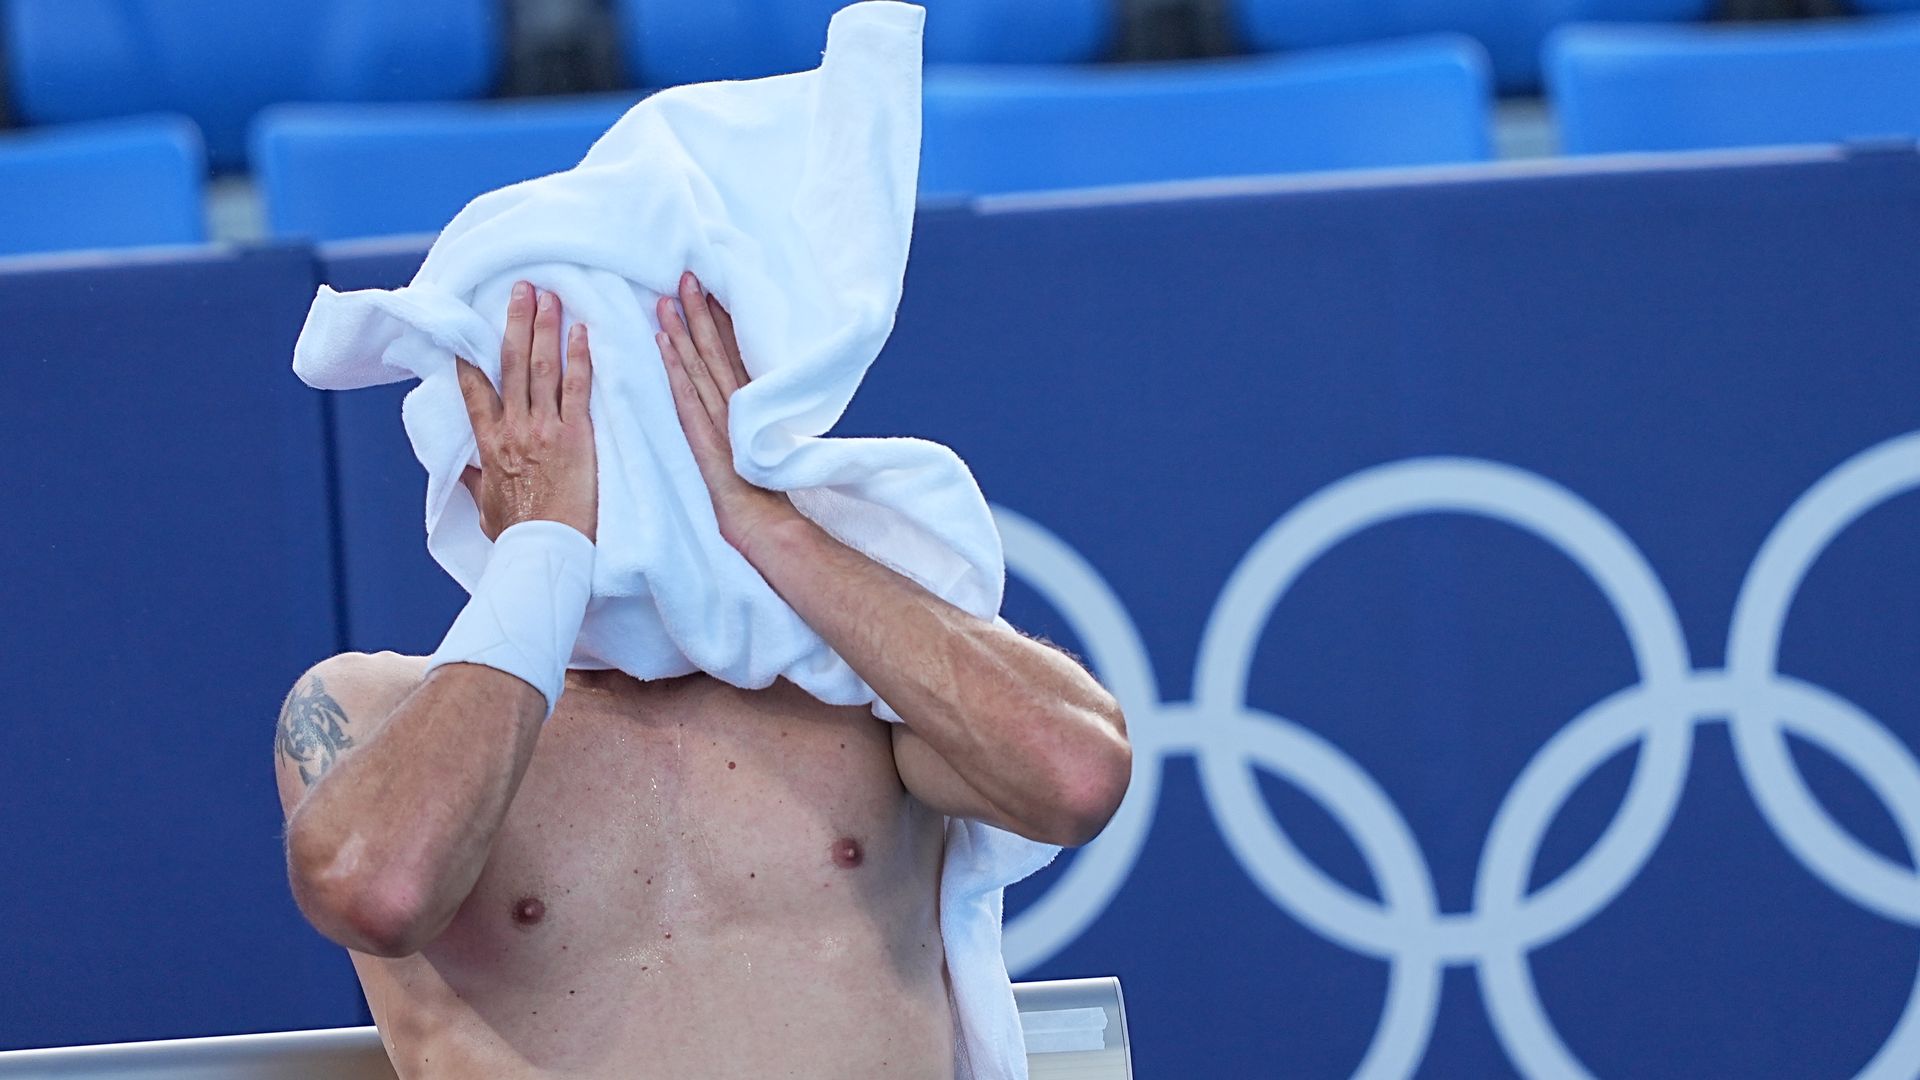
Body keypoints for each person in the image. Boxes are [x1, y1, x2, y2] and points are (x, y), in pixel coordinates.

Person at [273, 272, 1133, 1079]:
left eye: (649, 443)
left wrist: (773, 528)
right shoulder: (367, 706)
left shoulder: (847, 689)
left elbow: (1076, 776)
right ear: (475, 469)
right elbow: (380, 891)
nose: (623, 486)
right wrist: (544, 545)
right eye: (557, 429)